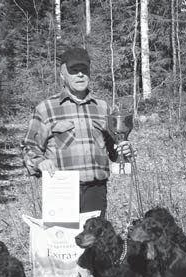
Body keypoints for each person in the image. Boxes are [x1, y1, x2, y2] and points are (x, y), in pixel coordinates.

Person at [22, 47, 134, 217]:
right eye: (74, 71)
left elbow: (113, 150)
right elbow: (30, 148)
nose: (80, 75)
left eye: (84, 70)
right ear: (62, 75)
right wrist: (40, 163)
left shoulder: (103, 108)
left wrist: (123, 150)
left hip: (96, 191)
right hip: (61, 190)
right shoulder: (46, 108)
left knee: (94, 243)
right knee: (62, 242)